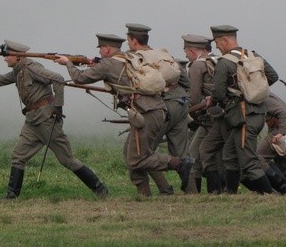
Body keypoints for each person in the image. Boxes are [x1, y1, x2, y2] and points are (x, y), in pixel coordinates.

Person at [0, 39, 108, 199]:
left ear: (18, 57)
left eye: (7, 56)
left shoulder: (32, 68)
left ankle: (100, 190)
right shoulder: (18, 71)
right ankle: (11, 196)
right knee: (18, 157)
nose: (5, 59)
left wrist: (58, 108)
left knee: (67, 160)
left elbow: (59, 79)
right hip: (32, 121)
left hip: (47, 120)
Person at [54, 33, 193, 197]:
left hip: (146, 113)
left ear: (106, 49)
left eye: (101, 49)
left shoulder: (108, 64)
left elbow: (79, 78)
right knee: (130, 153)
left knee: (137, 159)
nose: (100, 52)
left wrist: (67, 63)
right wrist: (93, 63)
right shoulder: (129, 58)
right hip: (154, 110)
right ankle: (145, 193)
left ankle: (178, 164)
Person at [206, 25, 278, 194]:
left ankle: (270, 195)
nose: (217, 46)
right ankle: (231, 193)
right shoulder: (254, 56)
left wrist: (230, 98)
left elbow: (217, 93)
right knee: (229, 155)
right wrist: (253, 90)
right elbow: (273, 76)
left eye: (217, 42)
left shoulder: (224, 63)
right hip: (258, 112)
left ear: (225, 39)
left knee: (249, 161)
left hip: (243, 115)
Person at [125, 23, 192, 194]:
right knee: (181, 153)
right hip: (180, 105)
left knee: (138, 152)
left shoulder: (135, 58)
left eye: (128, 40)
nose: (128, 44)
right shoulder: (163, 55)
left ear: (133, 41)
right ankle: (192, 193)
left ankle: (154, 191)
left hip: (161, 108)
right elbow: (185, 82)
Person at [181, 34, 222, 193]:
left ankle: (207, 192)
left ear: (192, 50)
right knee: (214, 155)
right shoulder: (218, 61)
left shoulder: (197, 65)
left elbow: (194, 97)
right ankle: (219, 191)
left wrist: (190, 117)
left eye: (186, 51)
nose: (185, 55)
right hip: (221, 114)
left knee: (195, 153)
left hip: (209, 116)